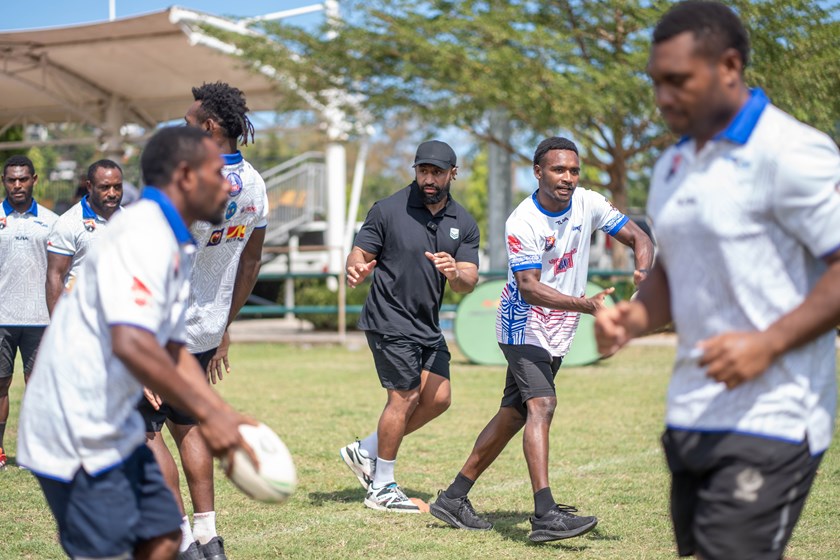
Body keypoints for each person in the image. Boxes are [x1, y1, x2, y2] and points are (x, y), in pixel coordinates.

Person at [593, 2, 840, 559]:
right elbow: (672, 276)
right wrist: (633, 318)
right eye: (656, 82)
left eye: (677, 81)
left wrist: (768, 344)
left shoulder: (791, 152)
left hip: (775, 415)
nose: (661, 98)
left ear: (729, 66)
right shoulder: (671, 166)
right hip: (691, 412)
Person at [16, 126, 255, 560]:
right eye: (217, 173)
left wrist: (220, 412)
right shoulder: (146, 236)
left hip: (110, 418)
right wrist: (211, 413)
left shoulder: (174, 241)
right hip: (72, 422)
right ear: (185, 176)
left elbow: (168, 344)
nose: (230, 183)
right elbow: (131, 341)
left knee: (162, 537)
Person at [428, 136, 653, 541]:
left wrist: (643, 274)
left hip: (559, 326)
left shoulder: (589, 203)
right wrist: (584, 305)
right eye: (558, 170)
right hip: (522, 323)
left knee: (515, 414)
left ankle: (453, 498)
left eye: (573, 170)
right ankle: (545, 514)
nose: (567, 178)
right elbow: (529, 288)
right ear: (538, 172)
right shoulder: (523, 221)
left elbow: (641, 238)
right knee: (543, 404)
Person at [139, 81, 268, 560]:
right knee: (188, 424)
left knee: (143, 430)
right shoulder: (255, 184)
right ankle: (209, 537)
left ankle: (182, 540)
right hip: (203, 332)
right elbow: (250, 265)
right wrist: (223, 325)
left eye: (189, 123)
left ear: (210, 127)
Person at [340, 140, 480, 512]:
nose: (429, 179)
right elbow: (361, 251)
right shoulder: (388, 210)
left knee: (439, 398)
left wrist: (456, 273)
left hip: (426, 323)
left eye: (437, 172)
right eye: (423, 171)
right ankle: (381, 487)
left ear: (453, 173)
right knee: (403, 397)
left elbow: (469, 278)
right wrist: (355, 265)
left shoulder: (462, 222)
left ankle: (366, 449)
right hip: (389, 317)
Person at [0, 155, 58, 470]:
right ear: (4, 181)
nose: (17, 185)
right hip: (1, 320)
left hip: (41, 319)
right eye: (11, 179)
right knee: (0, 385)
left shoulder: (52, 221)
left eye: (23, 179)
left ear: (34, 179)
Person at [46, 159, 124, 315]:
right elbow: (55, 277)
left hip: (121, 319)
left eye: (117, 187)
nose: (112, 193)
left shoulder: (130, 220)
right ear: (89, 187)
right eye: (105, 187)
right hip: (81, 319)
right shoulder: (68, 223)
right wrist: (59, 327)